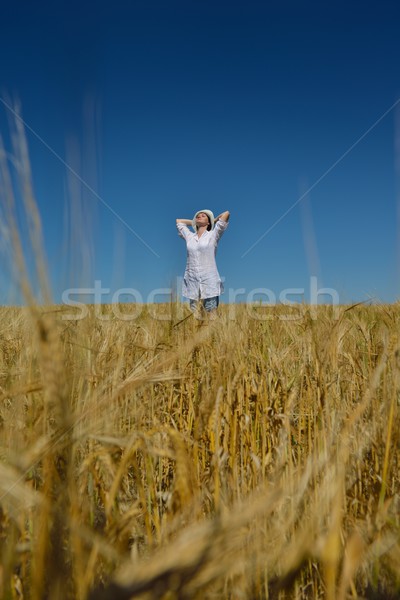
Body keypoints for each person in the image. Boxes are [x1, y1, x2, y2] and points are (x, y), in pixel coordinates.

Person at [176, 209, 230, 315]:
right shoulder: (190, 237)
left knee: (211, 318)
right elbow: (178, 221)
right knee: (195, 318)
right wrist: (194, 222)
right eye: (198, 216)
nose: (199, 216)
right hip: (193, 283)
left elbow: (226, 214)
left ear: (208, 222)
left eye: (203, 216)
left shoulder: (213, 235)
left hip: (209, 283)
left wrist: (213, 220)